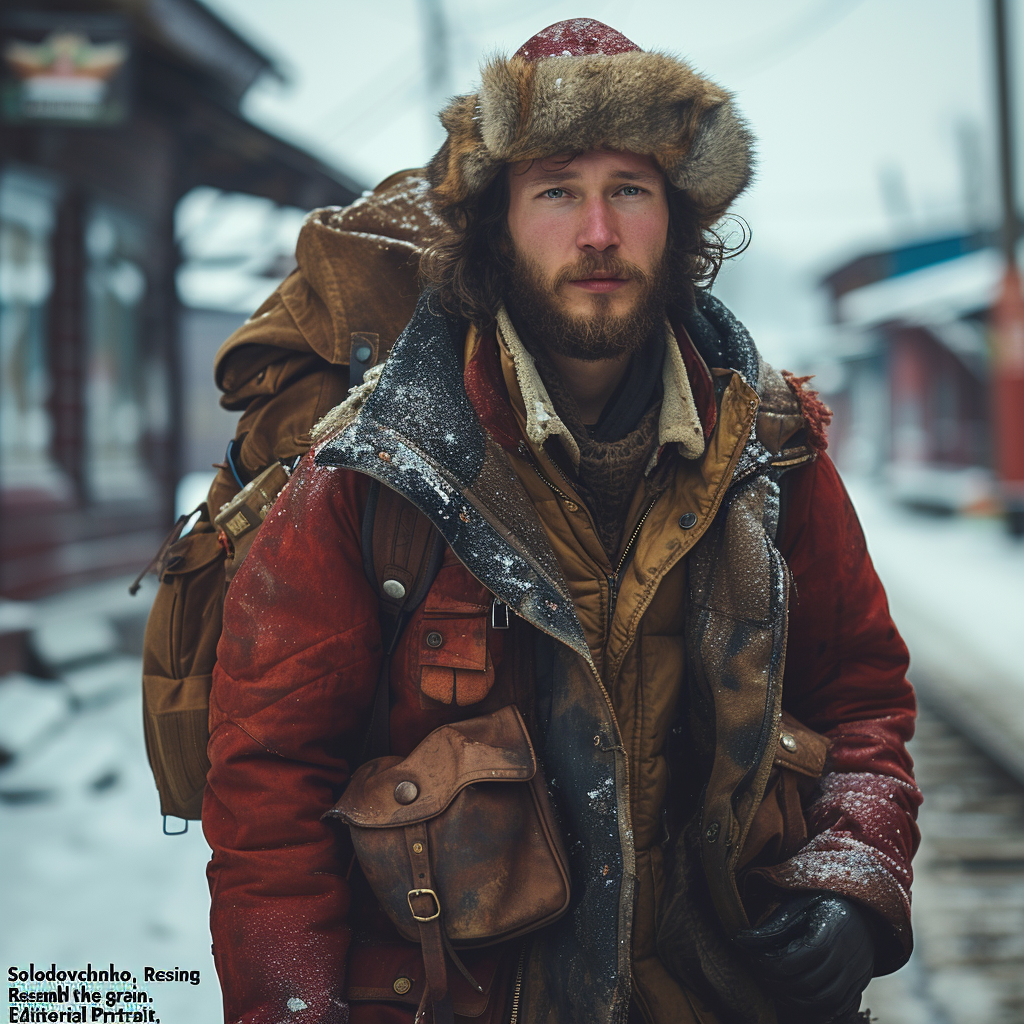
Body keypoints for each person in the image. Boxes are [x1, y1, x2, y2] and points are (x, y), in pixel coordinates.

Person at [203, 19, 920, 1024]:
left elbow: (863, 695)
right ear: (493, 224)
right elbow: (267, 791)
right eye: (556, 192)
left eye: (629, 188)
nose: (596, 233)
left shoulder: (771, 448)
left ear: (680, 218)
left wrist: (855, 866)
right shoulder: (372, 470)